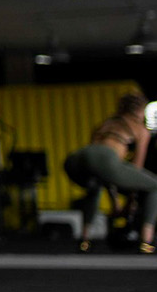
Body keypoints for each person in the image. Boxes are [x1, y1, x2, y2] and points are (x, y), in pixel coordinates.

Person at [66, 93, 155, 253]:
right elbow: (136, 169)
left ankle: (84, 241)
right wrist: (130, 203)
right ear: (139, 111)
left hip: (76, 159)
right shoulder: (141, 130)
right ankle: (146, 242)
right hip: (105, 159)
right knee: (154, 185)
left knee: (94, 187)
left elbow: (103, 173)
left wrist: (115, 203)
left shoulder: (104, 125)